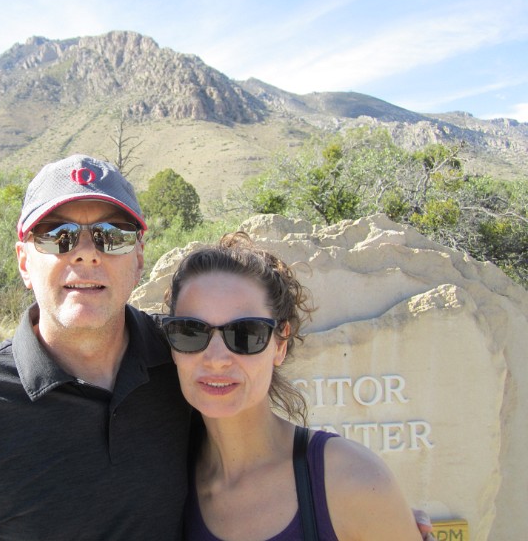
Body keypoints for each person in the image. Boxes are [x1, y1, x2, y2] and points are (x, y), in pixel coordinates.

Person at [0, 155, 191, 540]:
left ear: (138, 258)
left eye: (113, 235)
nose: (86, 252)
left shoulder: (186, 359)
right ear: (24, 262)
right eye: (58, 235)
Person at [159, 232, 427, 541]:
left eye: (245, 334)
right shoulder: (164, 484)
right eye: (190, 332)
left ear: (281, 343)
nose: (216, 359)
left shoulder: (351, 482)